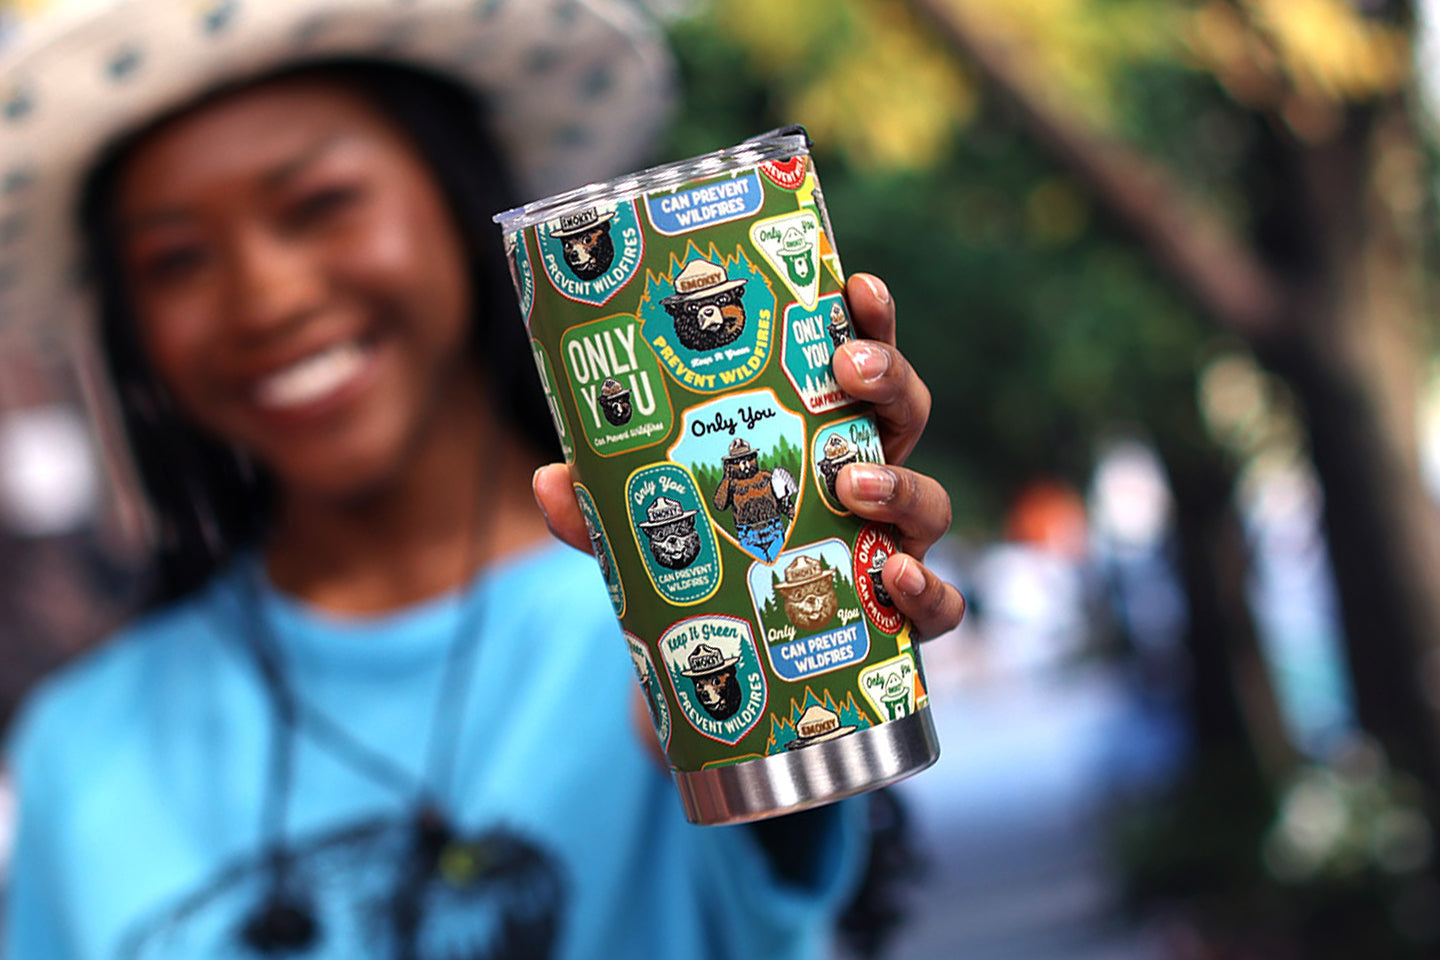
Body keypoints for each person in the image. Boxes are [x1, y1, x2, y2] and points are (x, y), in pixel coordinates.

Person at [0, 1, 965, 958]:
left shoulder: (680, 614)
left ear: (459, 196)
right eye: (175, 260)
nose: (266, 295)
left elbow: (783, 854)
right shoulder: (79, 750)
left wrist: (782, 669)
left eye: (319, 205)